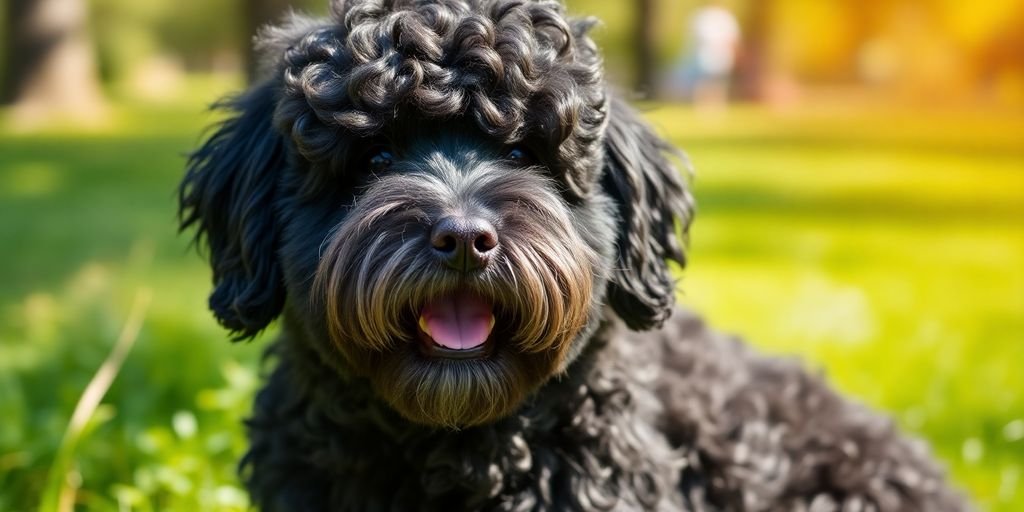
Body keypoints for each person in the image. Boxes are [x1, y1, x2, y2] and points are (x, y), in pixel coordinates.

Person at [678, 1, 741, 108]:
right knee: (704, 82)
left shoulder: (725, 17)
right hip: (704, 55)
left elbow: (732, 39)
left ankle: (716, 107)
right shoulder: (702, 16)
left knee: (717, 83)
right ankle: (703, 107)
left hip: (722, 54)